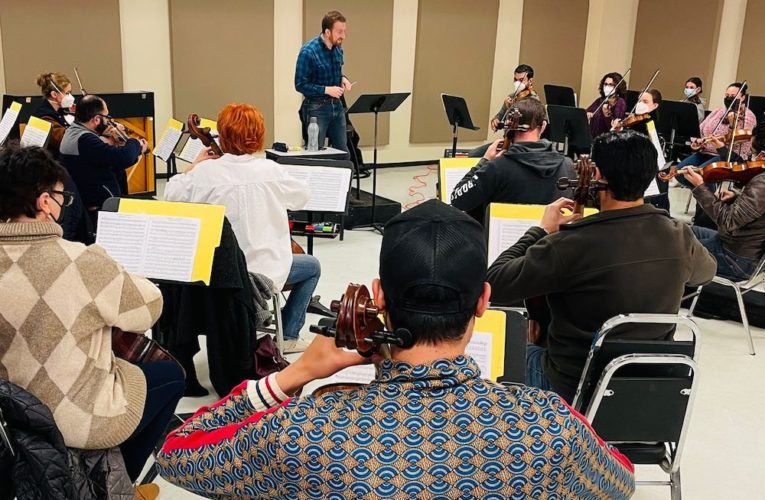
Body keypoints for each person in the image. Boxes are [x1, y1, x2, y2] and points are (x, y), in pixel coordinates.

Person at [156, 199, 636, 499]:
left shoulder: (298, 434)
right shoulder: (551, 425)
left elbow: (175, 454)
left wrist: (291, 376)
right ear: (484, 302)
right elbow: (622, 478)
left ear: (379, 296)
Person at [0, 144, 185, 484]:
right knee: (171, 377)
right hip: (75, 419)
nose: (62, 203)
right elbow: (147, 309)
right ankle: (116, 482)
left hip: (9, 420)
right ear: (44, 202)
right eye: (60, 196)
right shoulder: (82, 261)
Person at [487, 130, 716, 402]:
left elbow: (495, 283)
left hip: (574, 389)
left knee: (508, 350)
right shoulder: (679, 235)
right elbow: (706, 273)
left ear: (598, 177)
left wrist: (540, 230)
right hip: (647, 392)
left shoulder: (571, 244)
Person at [164, 103, 319, 354]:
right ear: (258, 137)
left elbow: (171, 194)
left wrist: (195, 165)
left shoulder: (205, 173)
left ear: (222, 135)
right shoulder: (271, 170)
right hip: (266, 273)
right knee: (312, 267)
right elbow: (303, 195)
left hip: (221, 273)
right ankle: (288, 334)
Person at [451, 98, 574, 224]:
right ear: (543, 126)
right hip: (549, 241)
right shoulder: (568, 165)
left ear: (509, 125)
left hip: (505, 242)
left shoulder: (497, 167)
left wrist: (485, 160)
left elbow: (457, 200)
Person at [682, 124, 765, 280]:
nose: (750, 158)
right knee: (680, 231)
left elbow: (728, 221)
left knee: (671, 250)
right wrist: (736, 197)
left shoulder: (762, 183)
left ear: (762, 155)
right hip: (733, 243)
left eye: (752, 153)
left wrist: (700, 188)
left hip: (736, 259)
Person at [59, 95, 149, 225]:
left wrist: (111, 141)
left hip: (98, 200)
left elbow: (108, 159)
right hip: (100, 207)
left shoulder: (73, 131)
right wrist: (136, 142)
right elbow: (123, 158)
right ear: (96, 119)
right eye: (106, 117)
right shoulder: (85, 140)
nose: (108, 121)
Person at [675, 82, 757, 188]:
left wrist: (733, 123)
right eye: (727, 96)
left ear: (743, 97)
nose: (728, 98)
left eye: (733, 96)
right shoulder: (718, 111)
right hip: (705, 152)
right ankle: (702, 193)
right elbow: (701, 129)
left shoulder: (748, 116)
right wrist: (697, 141)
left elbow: (739, 141)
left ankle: (708, 199)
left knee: (702, 174)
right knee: (680, 171)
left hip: (727, 155)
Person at [295, 10, 352, 156]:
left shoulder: (338, 48)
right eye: (339, 32)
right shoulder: (308, 52)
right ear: (327, 32)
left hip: (337, 106)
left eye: (344, 31)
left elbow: (337, 72)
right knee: (316, 153)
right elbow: (300, 84)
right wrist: (326, 90)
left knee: (343, 153)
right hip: (316, 108)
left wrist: (343, 79)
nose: (343, 36)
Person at [468, 64, 538, 158]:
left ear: (530, 81)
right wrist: (495, 120)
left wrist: (512, 108)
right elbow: (500, 115)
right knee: (473, 154)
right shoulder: (513, 96)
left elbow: (524, 125)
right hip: (506, 143)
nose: (517, 83)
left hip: (520, 146)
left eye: (521, 80)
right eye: (515, 80)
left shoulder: (534, 100)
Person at [31, 72, 75, 154]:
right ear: (54, 94)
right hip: (55, 162)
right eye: (67, 93)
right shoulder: (45, 116)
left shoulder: (59, 110)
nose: (70, 97)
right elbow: (65, 141)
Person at [586, 72, 627, 138]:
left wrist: (607, 115)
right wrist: (587, 114)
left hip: (608, 140)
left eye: (611, 85)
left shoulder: (620, 102)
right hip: (594, 139)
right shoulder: (600, 100)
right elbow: (587, 111)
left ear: (617, 87)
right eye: (605, 84)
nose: (607, 87)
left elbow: (615, 127)